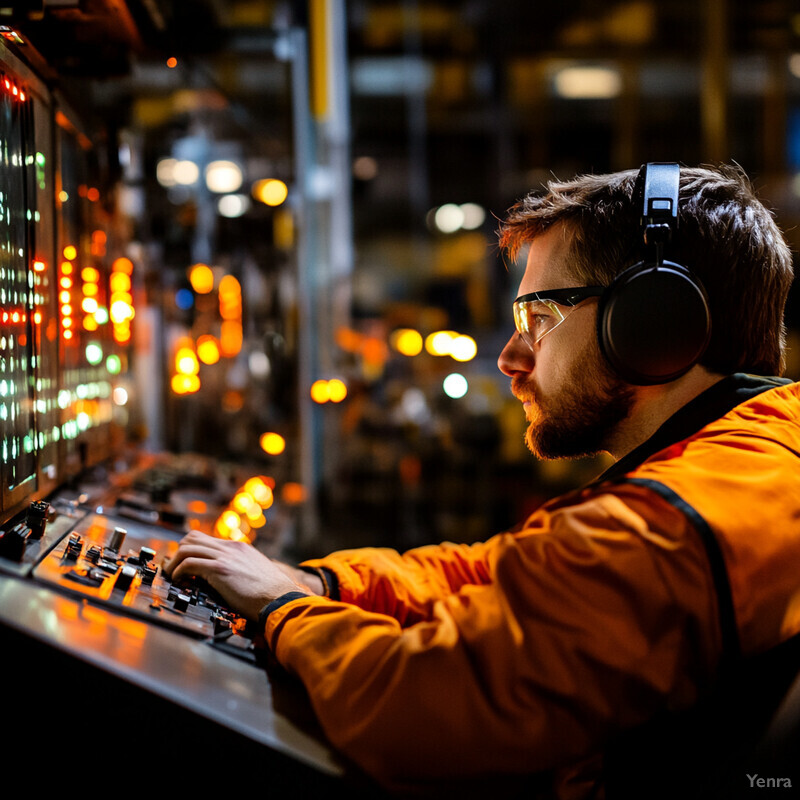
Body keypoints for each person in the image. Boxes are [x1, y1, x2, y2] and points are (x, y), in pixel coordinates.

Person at [166, 164, 800, 799]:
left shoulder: (661, 531)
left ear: (654, 320)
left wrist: (284, 612)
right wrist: (322, 581)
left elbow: (413, 708)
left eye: (540, 317)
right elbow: (502, 574)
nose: (510, 358)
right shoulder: (756, 458)